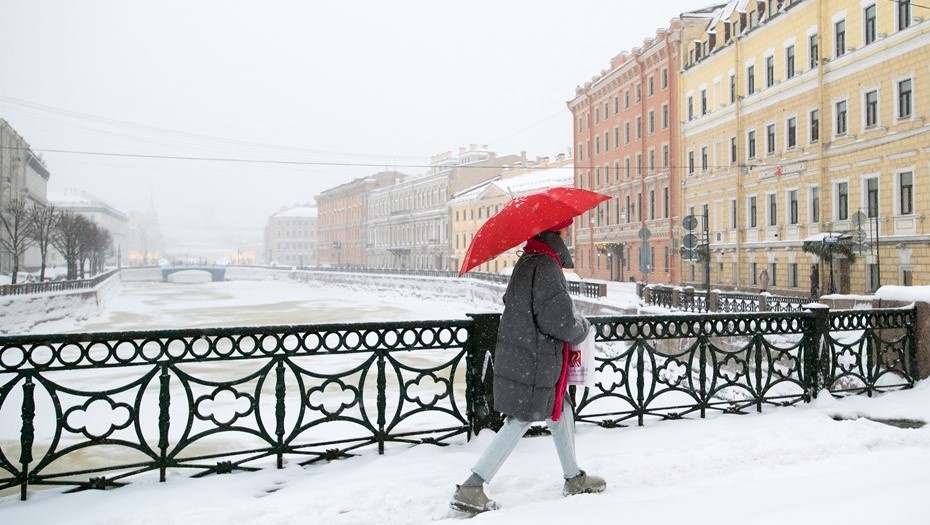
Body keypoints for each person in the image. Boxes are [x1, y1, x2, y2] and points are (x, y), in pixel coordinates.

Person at [450, 220, 606, 514]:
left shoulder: (527, 261)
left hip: (524, 355)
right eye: (566, 229)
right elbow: (558, 321)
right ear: (557, 233)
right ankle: (472, 486)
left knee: (561, 411)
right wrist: (581, 328)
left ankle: (573, 477)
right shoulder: (546, 267)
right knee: (519, 420)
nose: (569, 234)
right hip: (537, 360)